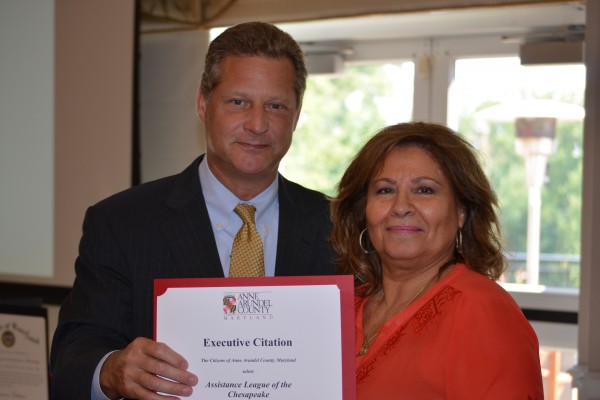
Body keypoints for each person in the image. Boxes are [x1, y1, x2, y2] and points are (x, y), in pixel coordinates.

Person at [50, 21, 335, 400]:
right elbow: (73, 355)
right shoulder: (120, 223)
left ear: (296, 116)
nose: (257, 124)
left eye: (276, 106)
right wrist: (113, 370)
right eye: (238, 102)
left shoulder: (337, 225)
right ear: (203, 104)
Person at [331, 122, 544, 399]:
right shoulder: (340, 308)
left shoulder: (482, 311)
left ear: (461, 212)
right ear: (364, 212)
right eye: (385, 190)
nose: (401, 207)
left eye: (424, 190)